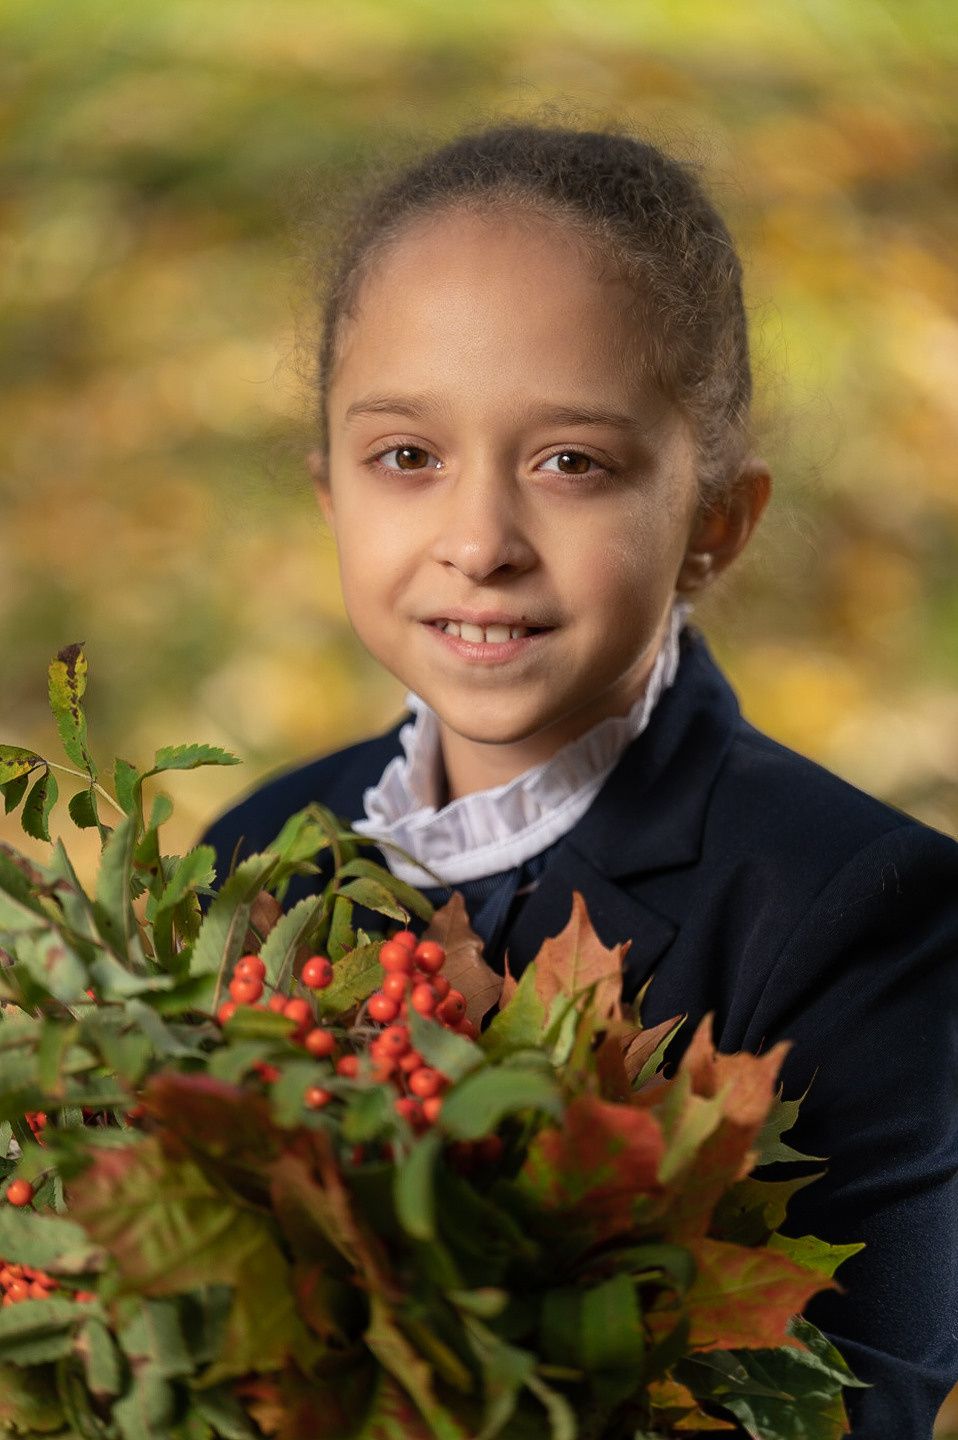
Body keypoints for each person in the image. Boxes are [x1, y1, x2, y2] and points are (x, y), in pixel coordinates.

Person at [202, 124, 958, 1437]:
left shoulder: (857, 915)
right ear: (328, 492)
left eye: (572, 464)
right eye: (406, 458)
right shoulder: (253, 850)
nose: (480, 541)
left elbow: (848, 1403)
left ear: (714, 522)